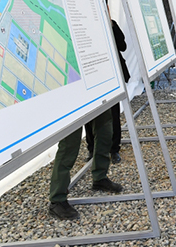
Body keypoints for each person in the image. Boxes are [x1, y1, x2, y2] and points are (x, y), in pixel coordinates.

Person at [48, 20, 127, 220]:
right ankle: (57, 198)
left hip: (95, 85)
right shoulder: (61, 21)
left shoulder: (97, 20)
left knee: (106, 131)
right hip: (72, 88)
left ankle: (100, 177)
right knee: (69, 145)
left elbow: (118, 45)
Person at [85, 20, 130, 164]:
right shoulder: (83, 24)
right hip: (91, 74)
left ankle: (114, 149)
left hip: (111, 74)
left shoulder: (111, 24)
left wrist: (112, 27)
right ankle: (92, 148)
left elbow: (123, 46)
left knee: (113, 113)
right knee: (90, 115)